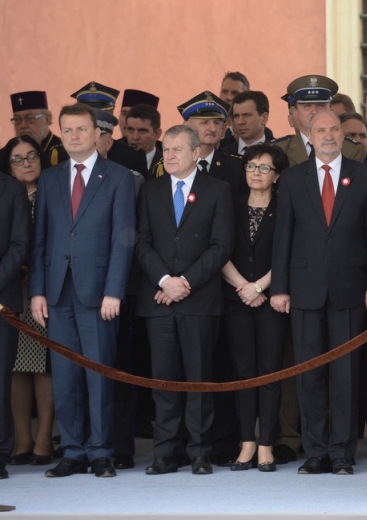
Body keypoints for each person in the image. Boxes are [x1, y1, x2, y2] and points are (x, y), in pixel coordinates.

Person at [270, 109, 367, 476]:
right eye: (320, 129)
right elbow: (283, 237)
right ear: (308, 133)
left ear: (343, 134)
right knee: (309, 374)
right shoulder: (291, 179)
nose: (328, 135)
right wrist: (280, 289)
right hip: (304, 289)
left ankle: (341, 452)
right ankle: (315, 451)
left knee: (346, 373)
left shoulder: (365, 176)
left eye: (334, 129)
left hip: (350, 288)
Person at [30, 103, 137, 478]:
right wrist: (37, 291)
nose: (74, 136)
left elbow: (124, 241)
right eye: (68, 130)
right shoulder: (50, 179)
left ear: (97, 134)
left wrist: (114, 291)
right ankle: (73, 450)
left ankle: (101, 451)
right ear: (60, 133)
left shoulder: (119, 177)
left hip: (99, 294)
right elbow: (40, 240)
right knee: (65, 375)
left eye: (81, 130)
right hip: (57, 293)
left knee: (99, 373)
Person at [136, 125, 234, 475]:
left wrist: (185, 282)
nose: (170, 155)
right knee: (163, 381)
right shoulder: (150, 191)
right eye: (166, 150)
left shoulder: (217, 190)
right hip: (159, 301)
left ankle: (199, 453)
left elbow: (221, 246)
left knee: (199, 380)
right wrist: (165, 280)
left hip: (200, 300)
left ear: (196, 153)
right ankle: (164, 453)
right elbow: (142, 242)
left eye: (178, 149)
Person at [220, 144, 290, 473]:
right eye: (251, 167)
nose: (256, 173)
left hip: (271, 298)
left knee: (270, 372)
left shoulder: (284, 206)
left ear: (276, 176)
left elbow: (287, 253)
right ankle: (246, 442)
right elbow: (219, 250)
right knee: (243, 372)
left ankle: (266, 445)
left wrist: (260, 287)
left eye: (264, 168)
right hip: (237, 298)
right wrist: (243, 288)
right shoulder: (230, 205)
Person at [0, 137, 54, 468]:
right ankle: (21, 438)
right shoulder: (14, 191)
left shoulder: (49, 190)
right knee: (15, 366)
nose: (27, 163)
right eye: (18, 159)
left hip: (38, 289)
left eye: (32, 155)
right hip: (12, 287)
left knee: (41, 362)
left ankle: (44, 438)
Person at [0, 143, 32, 480]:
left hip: (2, 297)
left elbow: (20, 243)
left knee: (0, 379)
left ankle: (0, 451)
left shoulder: (11, 189)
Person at [10, 91, 61, 166]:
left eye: (30, 118)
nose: (23, 125)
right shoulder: (5, 155)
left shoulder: (64, 152)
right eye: (17, 119)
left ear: (47, 119)